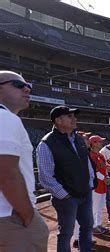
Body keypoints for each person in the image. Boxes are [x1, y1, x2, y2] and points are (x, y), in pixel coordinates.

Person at [0, 71, 49, 252]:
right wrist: (28, 216)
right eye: (18, 84)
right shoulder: (5, 117)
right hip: (12, 218)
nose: (27, 88)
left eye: (28, 85)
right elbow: (6, 173)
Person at [37, 105, 95, 252]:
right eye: (69, 116)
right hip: (66, 198)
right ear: (58, 120)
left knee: (87, 228)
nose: (74, 118)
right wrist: (65, 196)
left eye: (74, 116)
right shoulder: (46, 143)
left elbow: (86, 163)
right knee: (66, 234)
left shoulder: (79, 139)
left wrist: (89, 184)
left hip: (85, 193)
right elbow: (45, 177)